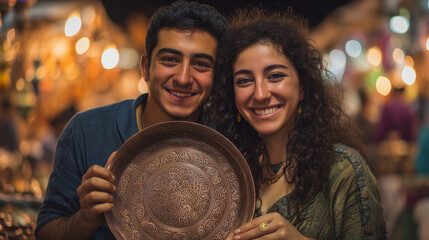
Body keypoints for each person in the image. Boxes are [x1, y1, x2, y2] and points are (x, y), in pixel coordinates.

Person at [35, 2, 228, 239]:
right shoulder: (86, 131)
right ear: (146, 68)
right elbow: (45, 232)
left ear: (216, 77)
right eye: (170, 59)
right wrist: (86, 218)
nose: (183, 78)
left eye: (200, 64)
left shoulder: (228, 147)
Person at [209, 9, 387, 239]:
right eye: (244, 81)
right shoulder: (232, 174)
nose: (260, 93)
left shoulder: (343, 170)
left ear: (302, 87)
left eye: (275, 76)